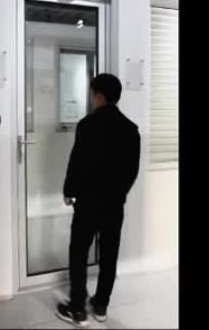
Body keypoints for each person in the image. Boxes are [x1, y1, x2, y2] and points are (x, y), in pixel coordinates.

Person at [55, 73, 141, 327]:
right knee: (109, 256)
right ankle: (101, 305)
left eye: (92, 93)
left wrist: (69, 191)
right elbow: (132, 171)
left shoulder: (87, 125)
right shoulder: (131, 129)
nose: (91, 98)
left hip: (88, 203)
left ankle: (77, 309)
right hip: (114, 205)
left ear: (99, 96)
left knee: (79, 253)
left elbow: (77, 163)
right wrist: (119, 194)